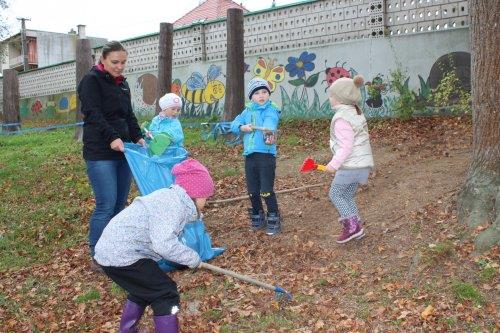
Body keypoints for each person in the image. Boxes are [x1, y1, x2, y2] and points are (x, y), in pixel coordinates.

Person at [94, 158, 214, 333]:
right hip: (122, 254)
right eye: (205, 197)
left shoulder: (172, 199)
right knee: (165, 293)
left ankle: (127, 330)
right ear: (194, 194)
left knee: (144, 289)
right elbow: (164, 245)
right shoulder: (172, 206)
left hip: (119, 251)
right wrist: (192, 258)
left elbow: (172, 223)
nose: (206, 202)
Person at [77, 40, 145, 266]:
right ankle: (97, 254)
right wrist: (112, 137)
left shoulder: (122, 84)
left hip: (124, 150)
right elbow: (93, 113)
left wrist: (137, 137)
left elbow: (129, 115)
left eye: (123, 62)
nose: (119, 66)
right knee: (106, 204)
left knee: (119, 203)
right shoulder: (91, 81)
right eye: (115, 62)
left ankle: (114, 247)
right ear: (103, 59)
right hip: (100, 151)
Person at [325, 75, 374, 244]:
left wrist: (334, 164)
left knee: (335, 193)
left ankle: (352, 227)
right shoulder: (355, 112)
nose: (329, 98)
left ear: (339, 98)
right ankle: (356, 225)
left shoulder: (341, 119)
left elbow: (346, 146)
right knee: (346, 194)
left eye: (331, 95)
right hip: (363, 164)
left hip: (351, 165)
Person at [230, 77, 282, 235]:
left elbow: (271, 121)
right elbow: (234, 124)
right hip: (250, 156)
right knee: (253, 190)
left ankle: (274, 215)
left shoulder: (271, 109)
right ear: (251, 96)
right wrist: (242, 127)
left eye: (264, 92)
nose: (261, 95)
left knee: (266, 189)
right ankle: (258, 215)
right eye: (257, 93)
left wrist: (268, 128)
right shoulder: (247, 111)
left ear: (268, 94)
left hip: (266, 156)